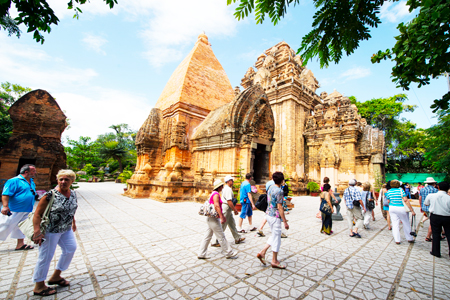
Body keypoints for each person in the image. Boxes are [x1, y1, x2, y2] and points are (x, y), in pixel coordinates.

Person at [32, 170, 78, 296]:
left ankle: (56, 276)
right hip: (50, 230)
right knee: (46, 256)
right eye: (60, 179)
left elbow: (71, 208)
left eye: (66, 180)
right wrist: (37, 232)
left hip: (65, 229)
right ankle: (39, 285)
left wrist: (73, 222)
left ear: (72, 181)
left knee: (70, 249)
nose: (63, 182)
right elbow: (37, 214)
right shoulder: (49, 195)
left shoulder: (73, 193)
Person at [0, 164, 38, 251]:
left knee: (21, 227)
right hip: (13, 209)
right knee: (3, 226)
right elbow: (5, 194)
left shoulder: (31, 181)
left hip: (26, 209)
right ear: (26, 172)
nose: (35, 172)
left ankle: (20, 245)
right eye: (33, 171)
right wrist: (5, 206)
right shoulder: (14, 181)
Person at [198, 179, 238, 260]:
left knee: (207, 236)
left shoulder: (213, 193)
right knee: (221, 236)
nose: (222, 187)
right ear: (219, 187)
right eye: (221, 186)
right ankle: (229, 252)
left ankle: (201, 253)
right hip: (213, 219)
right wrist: (222, 216)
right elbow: (216, 206)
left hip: (210, 218)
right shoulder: (216, 194)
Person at [256, 172, 289, 269]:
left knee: (274, 235)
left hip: (268, 215)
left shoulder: (270, 188)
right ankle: (274, 260)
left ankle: (262, 252)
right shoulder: (279, 191)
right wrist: (285, 221)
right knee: (277, 238)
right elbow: (280, 207)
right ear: (282, 180)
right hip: (275, 216)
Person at [211, 176, 245, 247]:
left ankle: (237, 238)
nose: (232, 181)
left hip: (227, 208)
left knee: (232, 223)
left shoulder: (226, 189)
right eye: (231, 180)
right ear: (228, 181)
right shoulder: (228, 189)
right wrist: (235, 210)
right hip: (226, 208)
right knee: (223, 225)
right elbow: (229, 201)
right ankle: (216, 241)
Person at [385, 180, 416, 244]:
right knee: (406, 222)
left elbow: (388, 201)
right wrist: (412, 210)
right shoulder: (401, 190)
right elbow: (405, 200)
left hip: (392, 208)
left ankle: (397, 240)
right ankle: (409, 238)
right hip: (401, 207)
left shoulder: (388, 191)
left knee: (395, 224)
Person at [424, 181, 450, 258]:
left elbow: (426, 203)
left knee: (435, 233)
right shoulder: (449, 198)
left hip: (435, 216)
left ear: (438, 187)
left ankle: (436, 251)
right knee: (449, 234)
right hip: (447, 217)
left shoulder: (431, 196)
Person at [419, 177, 438, 241]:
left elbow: (420, 198)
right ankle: (428, 236)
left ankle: (440, 233)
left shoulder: (422, 189)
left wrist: (421, 206)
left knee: (431, 219)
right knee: (432, 222)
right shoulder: (435, 190)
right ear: (433, 183)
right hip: (433, 208)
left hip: (425, 207)